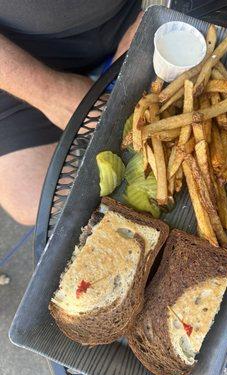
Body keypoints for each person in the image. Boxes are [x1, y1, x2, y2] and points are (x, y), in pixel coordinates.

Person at [0, 0, 143, 225]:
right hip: (17, 49)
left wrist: (153, 13)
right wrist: (48, 94)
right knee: (29, 197)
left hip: (127, 16)